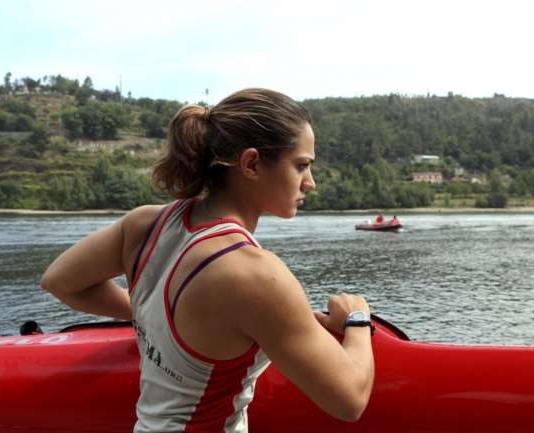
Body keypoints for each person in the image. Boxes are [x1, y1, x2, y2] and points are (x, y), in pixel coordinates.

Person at [41, 88, 375, 433]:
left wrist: (147, 313)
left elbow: (60, 281)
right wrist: (357, 318)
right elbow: (349, 400)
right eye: (301, 165)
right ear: (251, 164)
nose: (311, 183)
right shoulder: (254, 274)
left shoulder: (145, 224)